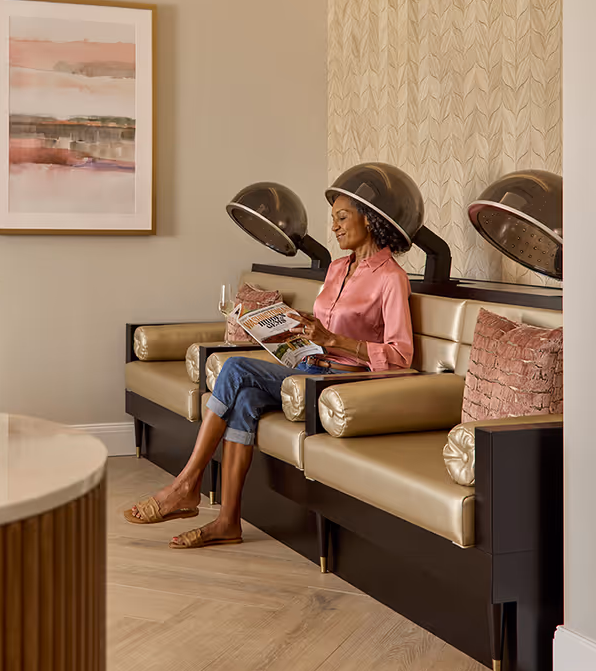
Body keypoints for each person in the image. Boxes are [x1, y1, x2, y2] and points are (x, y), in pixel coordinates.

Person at [124, 193, 414, 549]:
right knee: (244, 399)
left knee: (233, 367)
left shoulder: (391, 278)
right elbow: (325, 327)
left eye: (342, 217)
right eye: (333, 218)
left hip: (341, 381)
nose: (334, 226)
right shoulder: (338, 267)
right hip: (308, 365)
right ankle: (228, 522)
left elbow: (401, 356)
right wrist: (300, 327)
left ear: (369, 220)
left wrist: (334, 340)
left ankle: (186, 485)